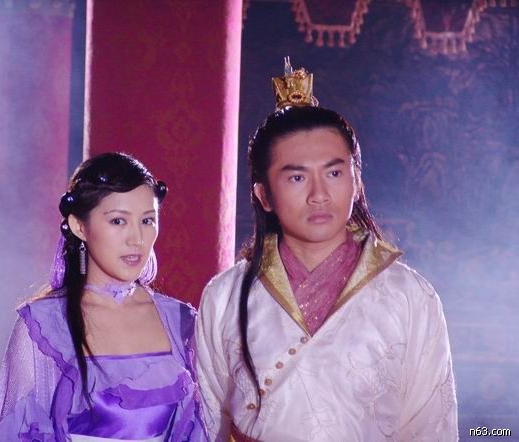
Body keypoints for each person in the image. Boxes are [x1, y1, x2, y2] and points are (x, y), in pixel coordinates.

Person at [195, 59, 458, 441]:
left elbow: (432, 426)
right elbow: (204, 423)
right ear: (264, 195)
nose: (319, 195)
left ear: (356, 182)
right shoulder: (224, 297)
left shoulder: (410, 296)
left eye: (334, 173)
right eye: (297, 177)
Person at [0, 152, 207, 441]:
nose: (137, 239)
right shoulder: (42, 326)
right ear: (79, 226)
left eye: (147, 220)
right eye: (118, 221)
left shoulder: (181, 321)